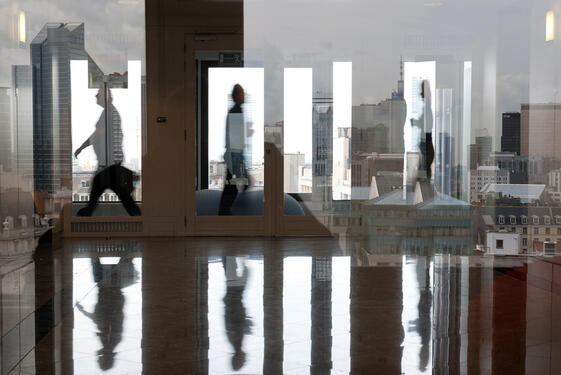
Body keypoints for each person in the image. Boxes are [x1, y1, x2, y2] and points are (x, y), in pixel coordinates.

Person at [74, 88, 141, 216]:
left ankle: (84, 216)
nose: (95, 95)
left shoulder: (109, 113)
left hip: (109, 165)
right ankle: (138, 218)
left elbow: (97, 135)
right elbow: (99, 135)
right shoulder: (109, 112)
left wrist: (81, 148)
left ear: (105, 97)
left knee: (99, 194)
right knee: (124, 198)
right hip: (110, 165)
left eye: (98, 94)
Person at [219, 84, 253, 215]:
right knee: (233, 187)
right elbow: (235, 138)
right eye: (242, 93)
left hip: (234, 154)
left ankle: (225, 213)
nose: (244, 96)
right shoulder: (236, 111)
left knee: (232, 187)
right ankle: (225, 213)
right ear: (237, 96)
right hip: (235, 155)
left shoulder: (236, 111)